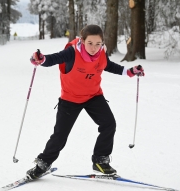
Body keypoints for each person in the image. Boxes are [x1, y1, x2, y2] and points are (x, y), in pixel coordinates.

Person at [26, 24, 144, 179]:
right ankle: (43, 164)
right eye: (90, 43)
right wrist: (41, 59)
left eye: (98, 44)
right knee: (60, 135)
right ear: (82, 40)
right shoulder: (72, 52)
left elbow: (107, 65)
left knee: (109, 124)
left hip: (93, 96)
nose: (94, 48)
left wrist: (129, 72)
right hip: (70, 99)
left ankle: (100, 161)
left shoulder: (101, 52)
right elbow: (54, 59)